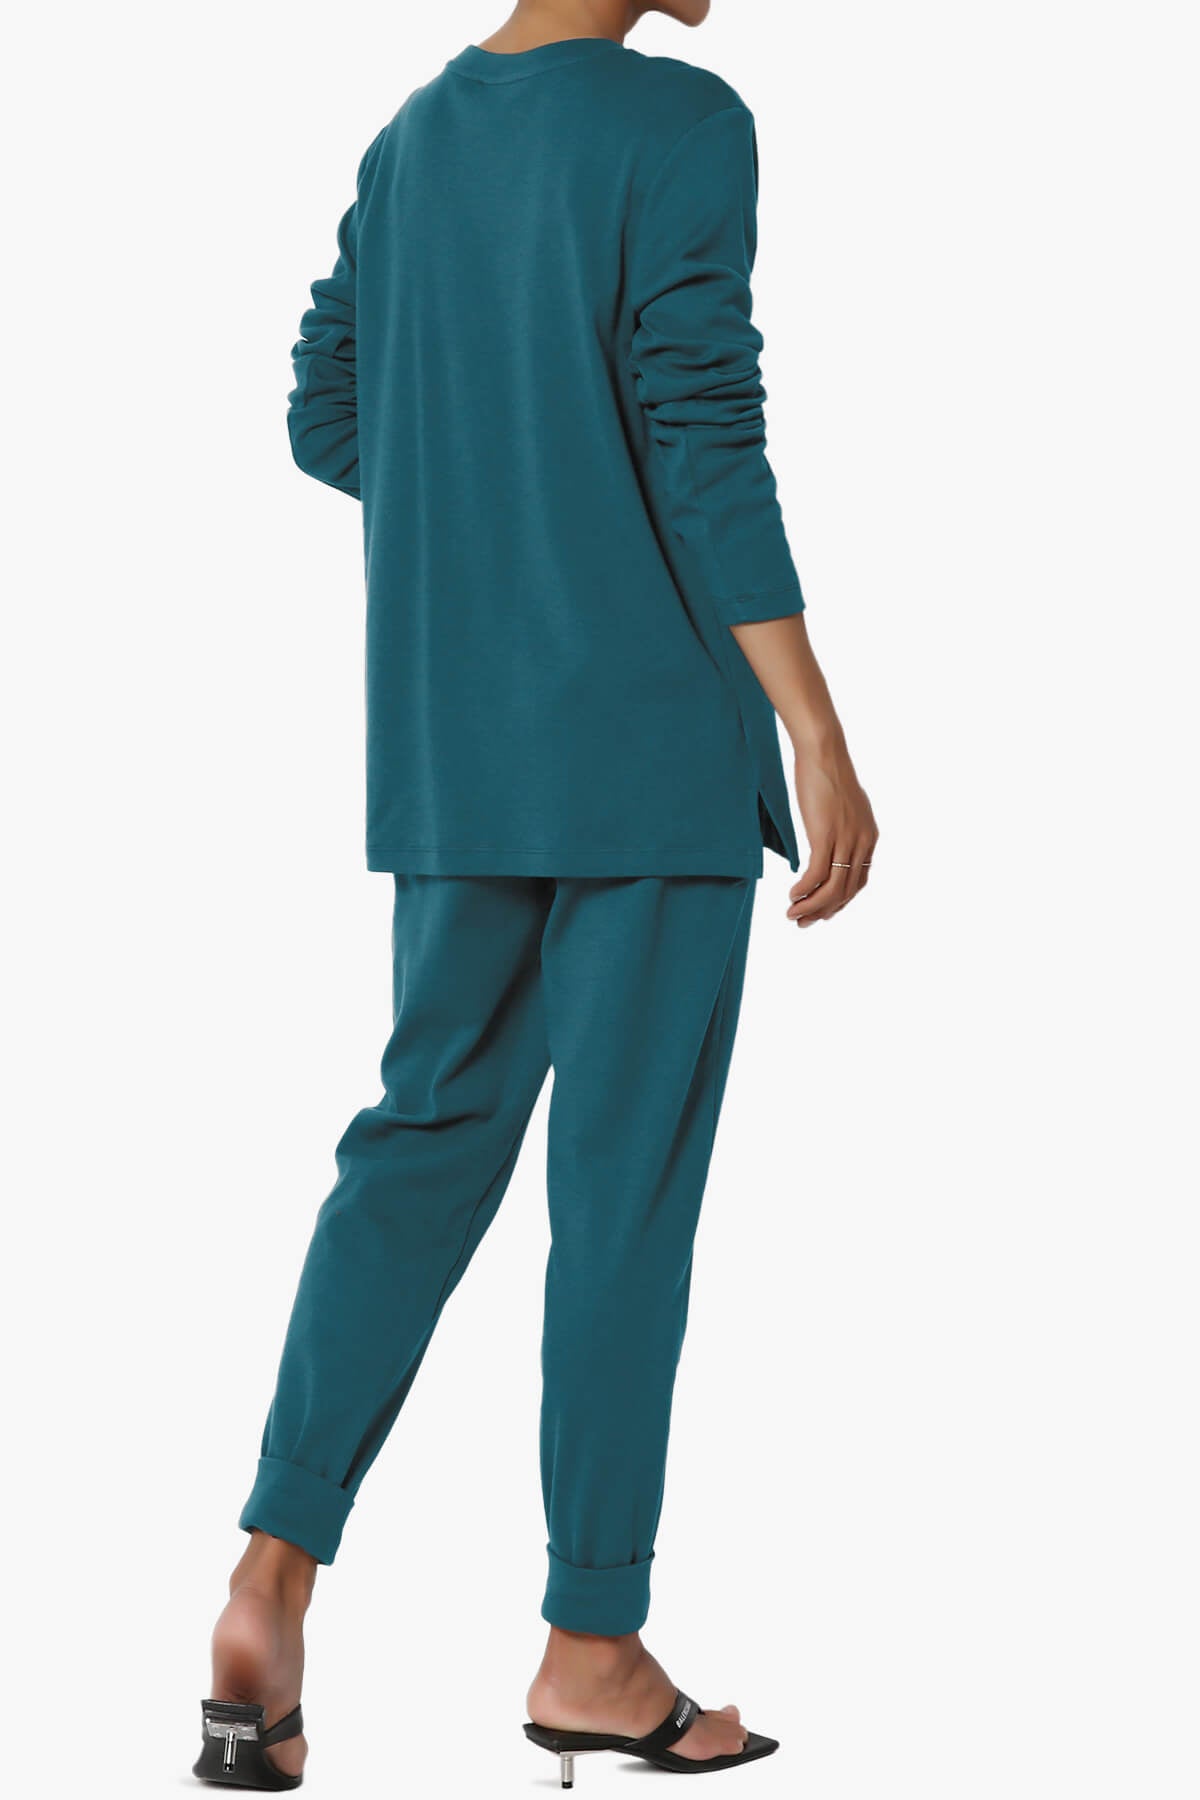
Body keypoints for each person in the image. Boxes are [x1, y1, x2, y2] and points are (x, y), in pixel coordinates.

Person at [194, 0, 878, 1786]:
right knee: (621, 1200)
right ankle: (592, 1644)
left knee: (419, 1147)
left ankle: (267, 1583)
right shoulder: (684, 123)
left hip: (456, 749)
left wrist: (494, 504)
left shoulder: (410, 144)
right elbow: (703, 435)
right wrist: (813, 726)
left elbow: (326, 409)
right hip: (648, 752)